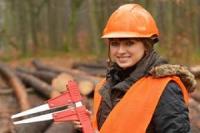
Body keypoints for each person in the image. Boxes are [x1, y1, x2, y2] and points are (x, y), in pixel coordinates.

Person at [74, 3, 196, 133]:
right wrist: (88, 128)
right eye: (115, 44)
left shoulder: (165, 89)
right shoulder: (104, 86)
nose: (120, 51)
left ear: (146, 45)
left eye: (129, 43)